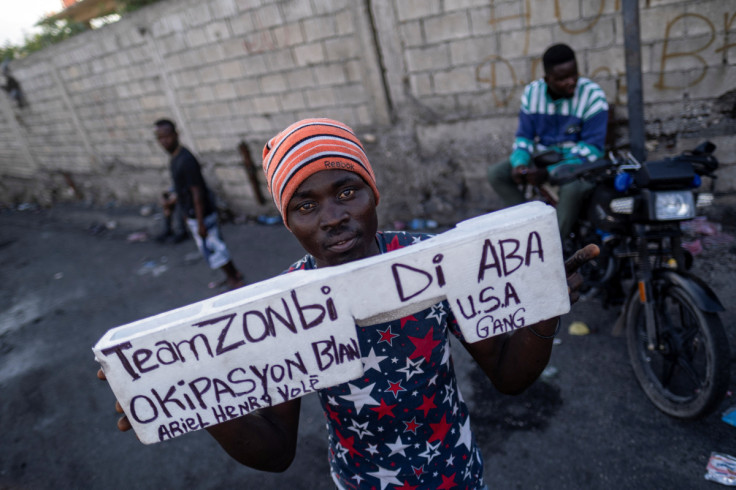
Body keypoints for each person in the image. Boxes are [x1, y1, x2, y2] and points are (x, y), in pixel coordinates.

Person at [102, 118, 598, 488]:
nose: (333, 217)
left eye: (347, 191)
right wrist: (191, 394)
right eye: (306, 204)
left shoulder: (432, 263)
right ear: (288, 221)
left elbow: (510, 378)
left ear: (373, 193)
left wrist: (542, 308)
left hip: (457, 474)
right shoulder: (284, 310)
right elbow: (275, 452)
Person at [487, 43, 609, 240]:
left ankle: (554, 246)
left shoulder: (593, 97)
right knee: (496, 174)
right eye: (562, 79)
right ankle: (530, 226)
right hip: (543, 158)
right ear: (547, 79)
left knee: (571, 190)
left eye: (574, 75)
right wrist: (520, 164)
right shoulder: (532, 94)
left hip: (578, 165)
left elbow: (592, 150)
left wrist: (549, 173)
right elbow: (524, 137)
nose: (571, 82)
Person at [153, 118, 244, 289]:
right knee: (211, 249)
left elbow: (197, 192)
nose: (164, 141)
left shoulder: (185, 159)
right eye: (160, 138)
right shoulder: (175, 158)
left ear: (176, 134)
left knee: (215, 248)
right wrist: (173, 201)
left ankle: (235, 280)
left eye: (167, 136)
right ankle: (232, 275)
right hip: (194, 214)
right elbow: (184, 190)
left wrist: (200, 222)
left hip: (202, 213)